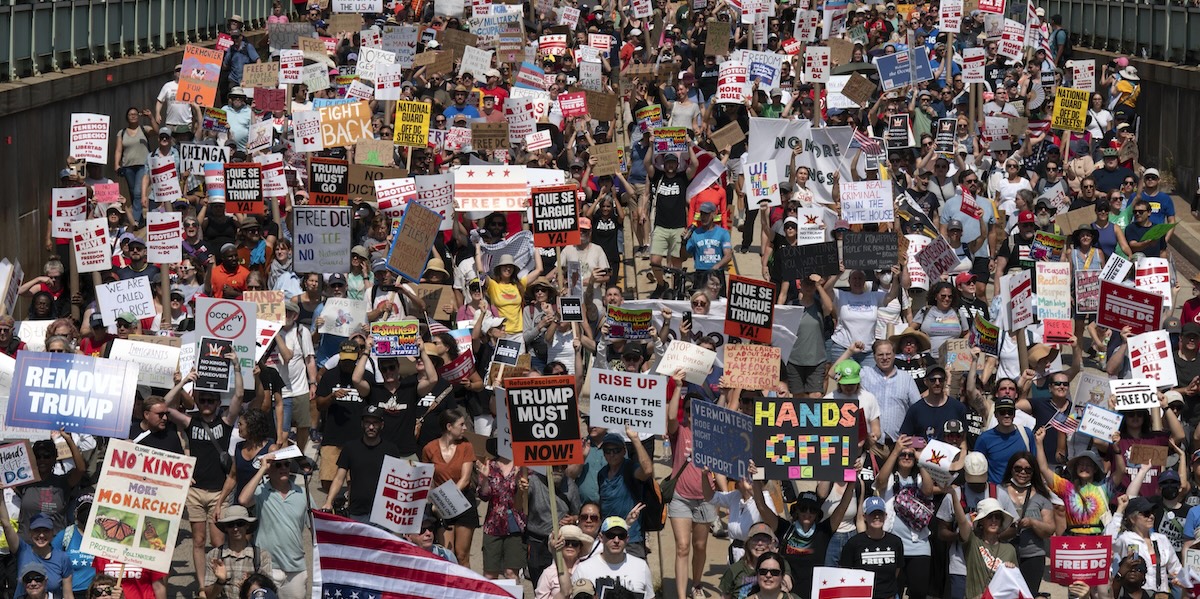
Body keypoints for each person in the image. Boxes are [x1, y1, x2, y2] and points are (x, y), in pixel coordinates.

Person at [237, 454, 310, 599]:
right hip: (267, 567)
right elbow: (243, 499)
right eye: (277, 465)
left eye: (286, 464)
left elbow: (316, 527)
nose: (283, 468)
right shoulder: (260, 492)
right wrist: (262, 468)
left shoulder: (303, 493)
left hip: (295, 568)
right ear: (269, 470)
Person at [321, 405, 402, 521]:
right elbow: (339, 478)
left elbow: (398, 482)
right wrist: (329, 501)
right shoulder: (350, 448)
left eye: (375, 423)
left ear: (382, 425)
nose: (371, 427)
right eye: (367, 422)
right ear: (361, 424)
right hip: (357, 512)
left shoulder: (391, 449)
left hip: (383, 513)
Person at [420, 408, 478, 567]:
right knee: (446, 554)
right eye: (461, 424)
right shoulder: (429, 449)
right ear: (449, 427)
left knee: (462, 554)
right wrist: (434, 501)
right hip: (440, 504)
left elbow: (465, 479)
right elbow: (427, 479)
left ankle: (468, 588)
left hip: (463, 501)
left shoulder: (466, 446)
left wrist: (447, 499)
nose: (465, 428)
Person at [1107, 495, 1180, 595]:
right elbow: (1108, 541)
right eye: (1146, 513)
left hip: (1161, 595)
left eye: (1152, 512)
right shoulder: (1125, 539)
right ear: (1132, 519)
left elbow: (1176, 569)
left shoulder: (1161, 539)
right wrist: (1119, 510)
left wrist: (1180, 580)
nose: (1151, 516)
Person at [948, 496, 1018, 599]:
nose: (994, 520)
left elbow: (1014, 585)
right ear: (981, 521)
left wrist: (1011, 568)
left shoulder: (1009, 549)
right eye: (989, 516)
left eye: (997, 517)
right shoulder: (973, 541)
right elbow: (962, 521)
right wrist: (953, 494)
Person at [570, 517, 654, 599]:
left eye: (621, 536)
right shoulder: (583, 569)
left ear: (627, 538)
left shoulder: (641, 566)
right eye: (611, 535)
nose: (616, 540)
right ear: (601, 537)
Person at [840, 497, 903, 599]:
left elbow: (897, 570)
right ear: (864, 516)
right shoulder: (853, 543)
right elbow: (845, 572)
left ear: (886, 516)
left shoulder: (896, 542)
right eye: (872, 513)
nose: (877, 516)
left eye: (880, 513)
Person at [204, 506, 273, 599]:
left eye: (240, 524)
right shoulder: (214, 556)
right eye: (230, 524)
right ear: (226, 528)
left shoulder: (262, 556)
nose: (235, 528)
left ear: (247, 525)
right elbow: (209, 596)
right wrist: (220, 581)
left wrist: (249, 586)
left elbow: (268, 594)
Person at [536, 525, 592, 599]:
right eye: (565, 543)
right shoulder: (548, 573)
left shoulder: (587, 569)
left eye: (575, 543)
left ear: (580, 548)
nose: (570, 546)